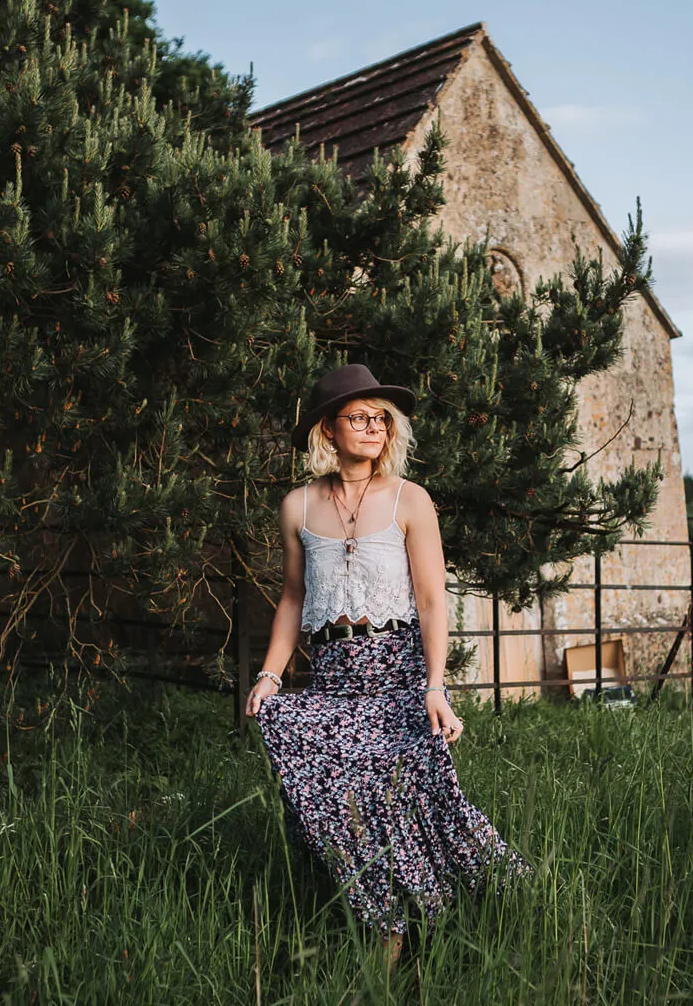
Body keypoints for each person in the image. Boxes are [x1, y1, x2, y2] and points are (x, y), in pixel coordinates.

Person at [246, 363, 531, 961]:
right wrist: (271, 675)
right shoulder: (297, 506)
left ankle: (468, 906)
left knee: (423, 799)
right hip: (331, 677)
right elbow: (294, 597)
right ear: (328, 430)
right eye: (360, 417)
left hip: (398, 672)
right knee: (317, 773)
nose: (374, 427)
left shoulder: (410, 499)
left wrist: (436, 685)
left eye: (382, 417)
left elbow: (431, 599)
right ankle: (382, 919)